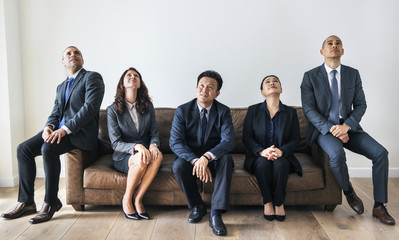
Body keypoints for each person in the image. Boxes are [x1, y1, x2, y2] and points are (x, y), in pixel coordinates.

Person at [1, 46, 105, 224]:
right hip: (59, 130)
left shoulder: (92, 77)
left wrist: (65, 129)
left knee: (48, 148)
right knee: (23, 149)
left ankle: (51, 202)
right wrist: (49, 126)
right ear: (63, 62)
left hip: (80, 133)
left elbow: (89, 108)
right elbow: (56, 112)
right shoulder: (61, 87)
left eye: (77, 53)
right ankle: (26, 202)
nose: (73, 55)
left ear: (82, 60)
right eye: (68, 54)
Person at [301, 35, 395, 225]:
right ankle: (348, 191)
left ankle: (379, 205)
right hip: (324, 131)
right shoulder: (310, 76)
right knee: (337, 156)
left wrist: (347, 126)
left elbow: (361, 104)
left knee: (380, 153)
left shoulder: (353, 74)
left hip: (349, 127)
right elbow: (309, 110)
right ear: (322, 52)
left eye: (338, 44)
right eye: (330, 43)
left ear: (342, 51)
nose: (334, 46)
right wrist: (333, 129)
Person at [170, 70, 235, 236]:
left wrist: (207, 157)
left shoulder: (223, 111)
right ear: (196, 87)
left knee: (227, 159)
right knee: (178, 165)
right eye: (201, 86)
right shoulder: (182, 110)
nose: (204, 90)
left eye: (210, 87)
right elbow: (175, 142)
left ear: (217, 93)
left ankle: (216, 213)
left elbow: (228, 141)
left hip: (214, 159)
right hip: (192, 160)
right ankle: (198, 206)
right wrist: (195, 160)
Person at [243, 75, 301, 222]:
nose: (272, 83)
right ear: (262, 91)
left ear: (281, 89)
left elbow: (295, 139)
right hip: (258, 156)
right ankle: (268, 202)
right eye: (267, 82)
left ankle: (279, 202)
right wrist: (262, 151)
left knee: (280, 163)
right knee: (263, 164)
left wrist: (281, 151)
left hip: (283, 155)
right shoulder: (253, 111)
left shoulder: (291, 113)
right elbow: (247, 138)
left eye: (276, 81)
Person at [107, 67, 163, 220]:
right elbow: (116, 143)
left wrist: (153, 145)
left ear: (139, 84)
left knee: (158, 156)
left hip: (146, 151)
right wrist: (136, 147)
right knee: (140, 160)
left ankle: (138, 199)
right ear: (123, 84)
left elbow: (154, 134)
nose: (132, 77)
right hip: (124, 156)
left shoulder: (148, 106)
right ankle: (126, 199)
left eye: (136, 76)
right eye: (128, 75)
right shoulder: (112, 110)